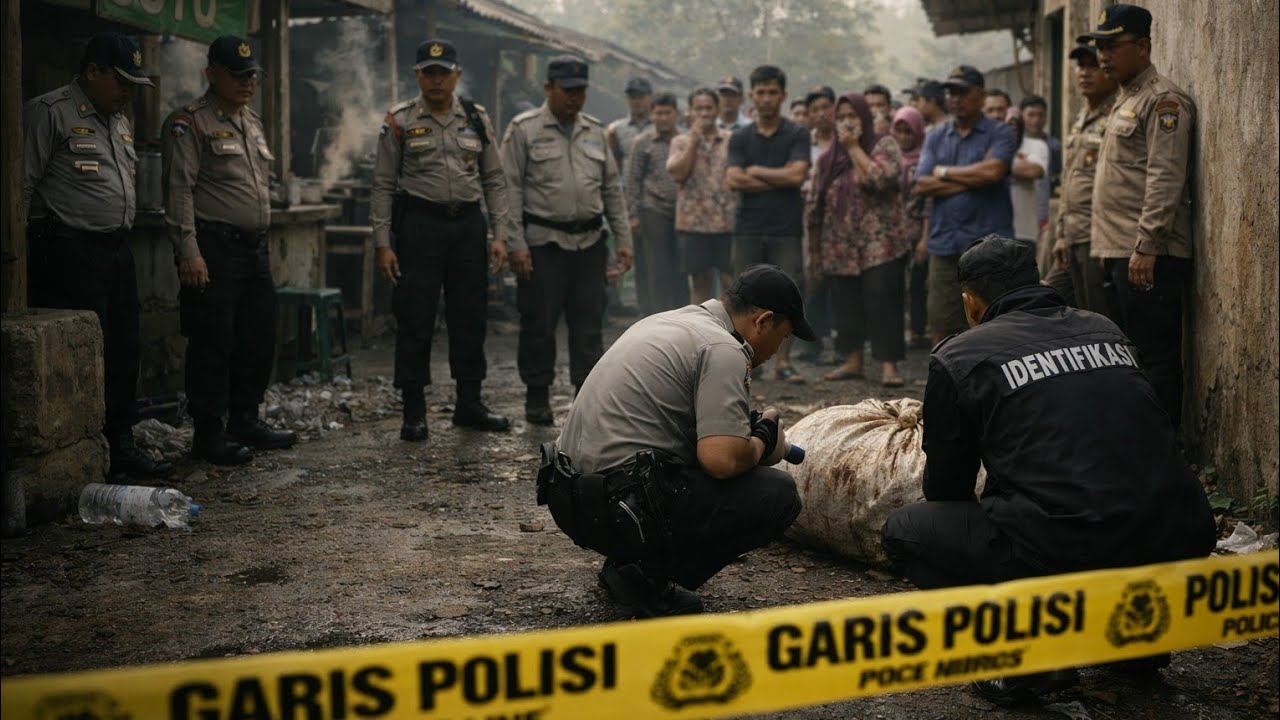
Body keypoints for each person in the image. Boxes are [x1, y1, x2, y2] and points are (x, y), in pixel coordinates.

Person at [881, 235, 1215, 705]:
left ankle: (1024, 657)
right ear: (1036, 281)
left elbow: (947, 488)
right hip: (1182, 531)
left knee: (908, 530)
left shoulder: (958, 356)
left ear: (970, 302)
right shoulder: (1103, 328)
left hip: (1076, 542)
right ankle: (1137, 636)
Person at [540, 264, 810, 618]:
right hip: (614, 509)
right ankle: (644, 577)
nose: (778, 350)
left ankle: (626, 564)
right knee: (777, 494)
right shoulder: (722, 347)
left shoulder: (669, 322)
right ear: (763, 321)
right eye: (784, 336)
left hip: (569, 496)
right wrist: (762, 439)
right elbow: (721, 459)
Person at [24, 33, 172, 481]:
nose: (128, 90)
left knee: (124, 350)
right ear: (92, 72)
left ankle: (120, 445)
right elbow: (20, 187)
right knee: (80, 355)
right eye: (120, 80)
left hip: (115, 251)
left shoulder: (119, 120)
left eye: (133, 82)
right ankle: (77, 452)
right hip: (69, 251)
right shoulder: (49, 112)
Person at [162, 35, 296, 465]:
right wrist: (188, 250)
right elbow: (179, 191)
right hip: (213, 248)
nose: (247, 83)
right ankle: (208, 434)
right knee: (212, 343)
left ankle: (245, 419)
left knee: (257, 337)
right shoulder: (190, 123)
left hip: (254, 250)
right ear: (211, 74)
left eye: (252, 76)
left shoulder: (251, 123)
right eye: (238, 76)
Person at [371, 39, 511, 443]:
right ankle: (414, 411)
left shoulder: (476, 117)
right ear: (417, 75)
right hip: (419, 226)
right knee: (415, 318)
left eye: (443, 72)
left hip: (468, 226)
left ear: (456, 75)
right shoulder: (399, 120)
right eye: (428, 72)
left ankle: (470, 403)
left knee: (470, 317)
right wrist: (383, 242)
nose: (436, 80)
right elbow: (381, 185)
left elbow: (494, 180)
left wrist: (499, 234)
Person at [501, 55, 633, 426]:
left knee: (589, 325)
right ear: (549, 88)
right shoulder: (523, 130)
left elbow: (612, 190)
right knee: (539, 324)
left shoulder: (594, 131)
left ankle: (586, 399)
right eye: (568, 90)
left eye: (581, 91)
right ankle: (537, 397)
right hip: (543, 243)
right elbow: (507, 189)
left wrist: (623, 240)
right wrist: (515, 244)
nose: (575, 98)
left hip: (590, 243)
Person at [1085, 4, 1196, 429]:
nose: (1103, 56)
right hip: (1120, 250)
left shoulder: (1163, 101)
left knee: (1156, 356)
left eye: (1113, 46)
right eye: (1101, 47)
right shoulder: (1123, 99)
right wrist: (1106, 246)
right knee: (1125, 355)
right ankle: (1133, 445)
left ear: (1143, 46)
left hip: (1149, 255)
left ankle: (1162, 451)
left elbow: (1165, 178)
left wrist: (1146, 246)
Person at [807, 93, 907, 387]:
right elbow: (815, 207)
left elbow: (881, 178)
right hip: (840, 246)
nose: (847, 122)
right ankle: (853, 361)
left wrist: (852, 148)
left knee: (883, 301)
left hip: (881, 245)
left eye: (853, 116)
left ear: (864, 117)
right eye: (842, 117)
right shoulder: (826, 160)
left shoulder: (883, 145)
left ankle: (888, 365)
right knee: (846, 305)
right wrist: (814, 252)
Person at [913, 66, 1016, 345]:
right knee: (942, 321)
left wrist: (944, 173)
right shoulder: (936, 135)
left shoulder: (1000, 132)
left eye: (962, 91)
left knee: (994, 322)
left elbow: (994, 172)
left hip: (987, 246)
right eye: (950, 92)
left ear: (981, 96)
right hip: (945, 243)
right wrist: (974, 178)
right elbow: (921, 183)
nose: (954, 98)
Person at [725, 65, 812, 383]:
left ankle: (783, 362)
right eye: (760, 92)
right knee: (743, 296)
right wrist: (779, 177)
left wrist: (756, 171)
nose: (766, 98)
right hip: (747, 226)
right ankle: (744, 361)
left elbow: (797, 176)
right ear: (752, 96)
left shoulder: (797, 133)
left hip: (785, 228)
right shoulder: (740, 136)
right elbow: (733, 179)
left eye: (772, 92)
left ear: (783, 95)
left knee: (788, 294)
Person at [1047, 44, 1118, 315]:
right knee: (1052, 298)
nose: (1085, 73)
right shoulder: (1082, 117)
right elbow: (1070, 182)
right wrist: (1061, 233)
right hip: (1073, 235)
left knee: (1099, 315)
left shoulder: (1116, 115)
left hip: (1097, 236)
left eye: (1093, 66)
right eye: (1081, 66)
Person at [667, 88, 736, 304]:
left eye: (708, 108)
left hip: (727, 224)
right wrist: (694, 142)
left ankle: (731, 332)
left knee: (731, 281)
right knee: (699, 283)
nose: (704, 113)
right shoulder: (680, 141)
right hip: (693, 225)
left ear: (717, 110)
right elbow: (677, 173)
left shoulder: (732, 140)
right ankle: (701, 332)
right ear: (690, 112)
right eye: (699, 108)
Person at [626, 92, 684, 315]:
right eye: (658, 113)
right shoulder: (642, 143)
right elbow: (633, 180)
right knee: (656, 267)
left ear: (676, 114)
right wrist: (632, 215)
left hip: (681, 212)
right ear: (652, 115)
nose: (662, 118)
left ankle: (681, 314)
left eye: (667, 113)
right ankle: (656, 315)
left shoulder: (684, 141)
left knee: (680, 266)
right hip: (653, 209)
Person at [796, 85, 837, 363]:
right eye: (814, 110)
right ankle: (811, 341)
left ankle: (838, 341)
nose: (820, 115)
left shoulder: (843, 144)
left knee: (836, 279)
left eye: (825, 108)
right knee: (809, 276)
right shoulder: (802, 144)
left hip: (837, 219)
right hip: (805, 216)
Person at [891, 106, 930, 349]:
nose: (904, 137)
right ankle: (897, 331)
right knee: (893, 284)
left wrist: (926, 238)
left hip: (917, 231)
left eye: (909, 132)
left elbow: (928, 202)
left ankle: (917, 330)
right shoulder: (888, 159)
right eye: (900, 131)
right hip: (893, 232)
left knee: (917, 283)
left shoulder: (925, 159)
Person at [1019, 94, 1061, 250]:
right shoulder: (1013, 144)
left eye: (1040, 115)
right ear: (1022, 115)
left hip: (1042, 216)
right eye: (1031, 115)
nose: (1036, 120)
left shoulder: (1054, 146)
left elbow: (1056, 178)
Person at [1005, 108, 1049, 246]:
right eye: (1008, 125)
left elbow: (1034, 171)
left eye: (1015, 124)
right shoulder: (990, 145)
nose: (1012, 129)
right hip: (990, 231)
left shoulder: (1037, 145)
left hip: (1023, 231)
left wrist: (994, 168)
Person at [605, 77, 652, 170]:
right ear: (626, 98)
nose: (637, 101)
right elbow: (612, 164)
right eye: (632, 97)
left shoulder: (659, 127)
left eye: (641, 97)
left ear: (650, 97)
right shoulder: (616, 129)